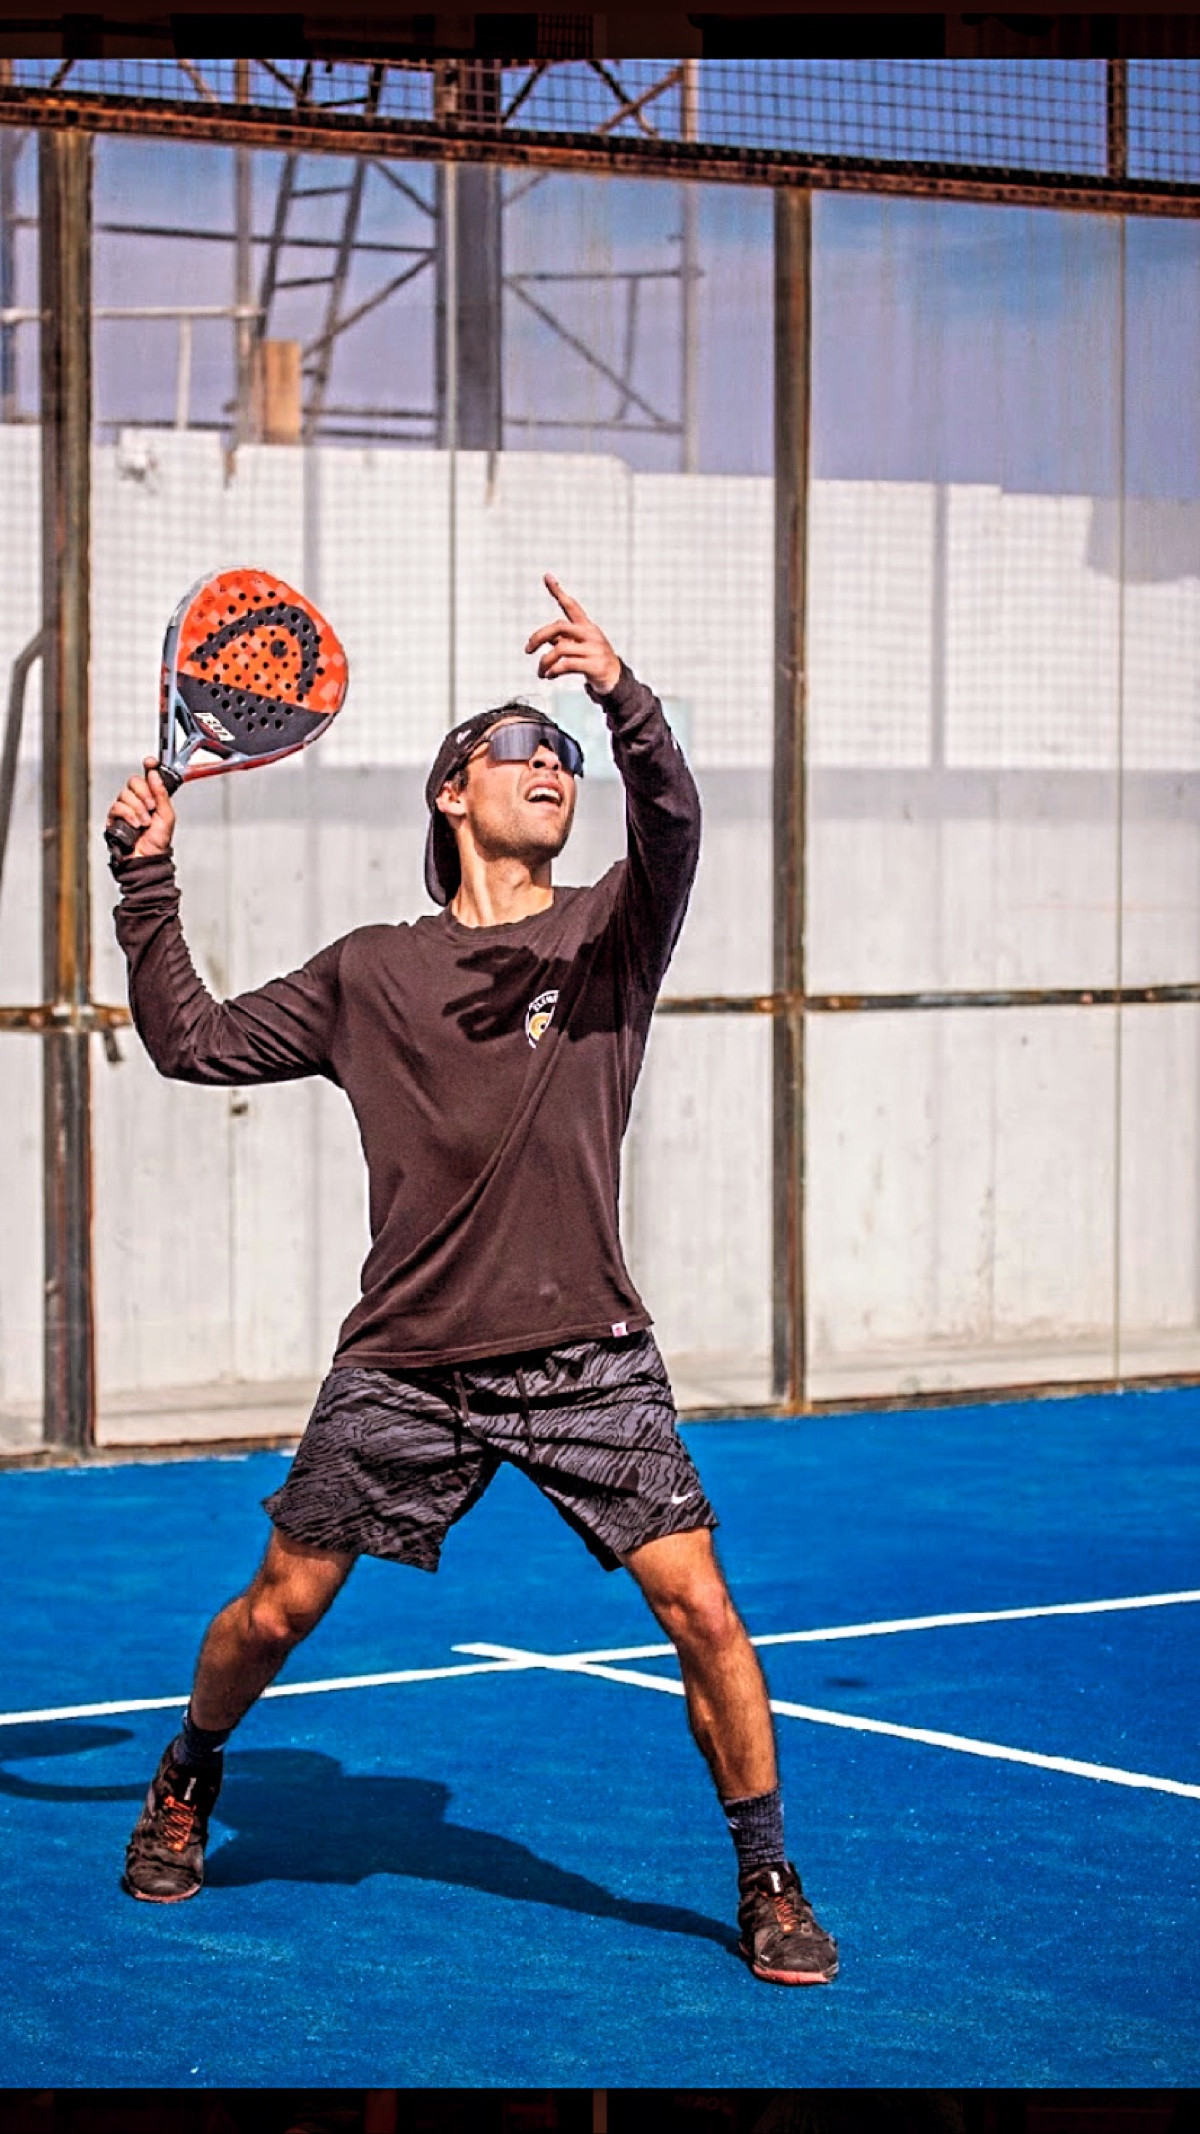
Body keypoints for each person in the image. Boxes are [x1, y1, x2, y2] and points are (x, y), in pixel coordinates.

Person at [105, 573, 837, 1987]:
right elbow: (191, 1041)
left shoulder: (612, 930)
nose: (553, 764)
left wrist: (619, 697)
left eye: (566, 755)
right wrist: (146, 879)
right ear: (454, 792)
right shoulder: (371, 971)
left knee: (704, 1607)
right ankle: (187, 1772)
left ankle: (768, 1876)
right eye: (523, 747)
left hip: (587, 1352)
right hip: (406, 1358)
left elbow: (675, 819)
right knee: (278, 1608)